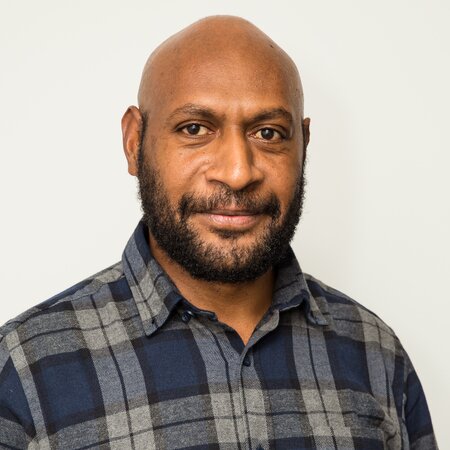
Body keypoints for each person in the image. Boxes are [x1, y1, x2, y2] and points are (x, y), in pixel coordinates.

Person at [0, 15, 438, 450]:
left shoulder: (376, 355)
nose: (237, 172)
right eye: (195, 129)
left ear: (304, 146)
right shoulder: (25, 370)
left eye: (268, 133)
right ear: (135, 142)